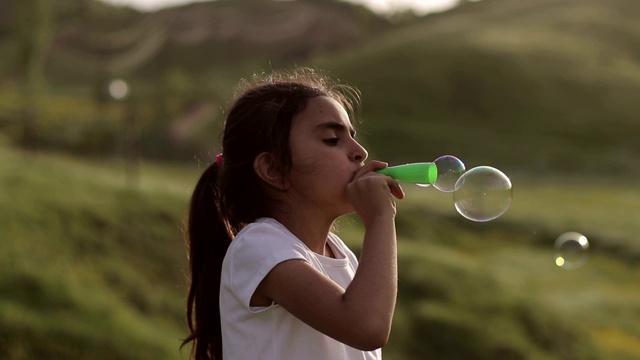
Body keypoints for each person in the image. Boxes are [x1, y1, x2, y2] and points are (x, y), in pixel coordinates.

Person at [181, 67, 405, 360]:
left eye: (353, 136)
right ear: (273, 169)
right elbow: (366, 327)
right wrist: (379, 220)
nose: (360, 151)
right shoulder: (260, 246)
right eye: (332, 140)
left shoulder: (342, 255)